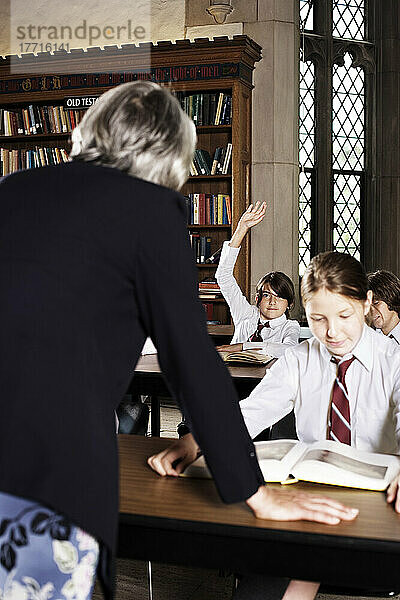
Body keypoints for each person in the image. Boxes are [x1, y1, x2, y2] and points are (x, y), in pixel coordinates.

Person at [0, 82, 357, 600]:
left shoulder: (14, 191)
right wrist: (254, 492)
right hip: (44, 479)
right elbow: (191, 360)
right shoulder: (148, 210)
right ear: (170, 158)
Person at [149, 250, 400, 600]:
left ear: (367, 303)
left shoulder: (394, 360)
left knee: (301, 566)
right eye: (317, 319)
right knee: (269, 573)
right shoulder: (300, 358)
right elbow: (253, 411)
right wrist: (198, 440)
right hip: (309, 492)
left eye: (344, 315)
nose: (332, 332)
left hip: (380, 502)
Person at [215, 202, 300, 358]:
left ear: (290, 304)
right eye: (267, 295)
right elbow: (223, 276)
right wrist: (242, 228)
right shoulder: (246, 314)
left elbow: (289, 350)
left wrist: (242, 347)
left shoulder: (290, 326)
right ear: (257, 298)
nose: (272, 302)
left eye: (280, 297)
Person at [367, 270, 400, 344]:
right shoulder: (367, 340)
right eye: (368, 306)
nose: (370, 311)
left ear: (391, 298)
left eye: (376, 303)